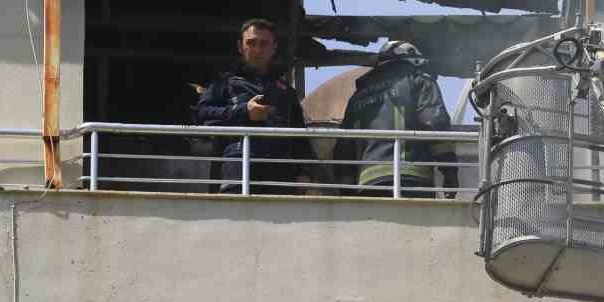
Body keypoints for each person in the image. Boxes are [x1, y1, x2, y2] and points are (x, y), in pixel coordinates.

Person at [195, 19, 315, 194]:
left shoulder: (286, 91)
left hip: (280, 176)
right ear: (240, 46)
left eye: (264, 44)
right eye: (251, 43)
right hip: (239, 171)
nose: (257, 50)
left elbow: (300, 137)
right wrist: (244, 111)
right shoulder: (226, 80)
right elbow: (201, 114)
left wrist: (304, 173)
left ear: (274, 48)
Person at [339, 40, 457, 197]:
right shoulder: (419, 81)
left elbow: (344, 146)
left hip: (368, 184)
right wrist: (450, 172)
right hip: (411, 178)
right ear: (413, 61)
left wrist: (346, 190)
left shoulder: (357, 98)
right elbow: (435, 125)